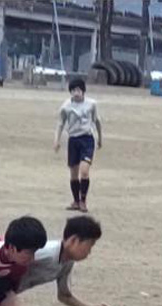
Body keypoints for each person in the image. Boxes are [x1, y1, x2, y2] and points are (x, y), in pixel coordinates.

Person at [54, 78, 102, 213]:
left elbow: (97, 121)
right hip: (73, 140)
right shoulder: (66, 107)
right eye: (73, 90)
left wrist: (100, 138)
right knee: (74, 174)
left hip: (87, 140)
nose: (76, 93)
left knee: (84, 171)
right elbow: (60, 124)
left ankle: (83, 201)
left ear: (83, 91)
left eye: (79, 90)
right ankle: (75, 201)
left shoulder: (91, 104)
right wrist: (56, 140)